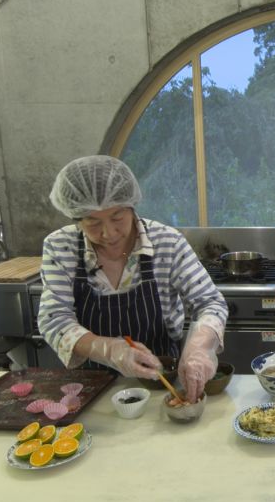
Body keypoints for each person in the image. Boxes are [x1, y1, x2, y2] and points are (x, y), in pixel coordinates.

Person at [37, 155, 228, 401]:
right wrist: (108, 349)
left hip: (160, 384)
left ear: (131, 206)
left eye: (117, 217)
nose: (109, 233)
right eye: (93, 222)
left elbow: (210, 302)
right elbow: (54, 320)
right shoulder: (60, 247)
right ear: (75, 217)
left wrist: (198, 349)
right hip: (91, 389)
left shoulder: (167, 242)